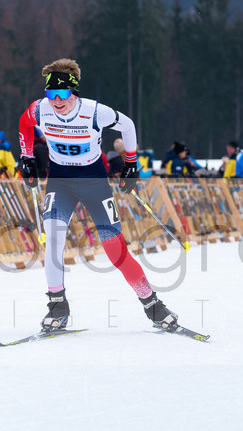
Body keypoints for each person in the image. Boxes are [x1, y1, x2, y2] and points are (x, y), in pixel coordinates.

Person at [18, 58, 179, 332]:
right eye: (51, 93)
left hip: (94, 182)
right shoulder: (40, 109)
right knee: (53, 238)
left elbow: (127, 126)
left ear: (74, 92)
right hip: (61, 181)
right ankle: (57, 306)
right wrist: (27, 157)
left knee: (115, 251)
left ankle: (152, 305)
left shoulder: (94, 112)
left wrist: (131, 164)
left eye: (63, 94)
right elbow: (24, 123)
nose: (57, 100)